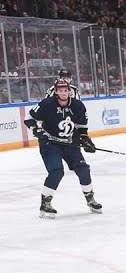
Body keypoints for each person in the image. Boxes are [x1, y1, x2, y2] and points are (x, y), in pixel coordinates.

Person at [25, 79, 100, 219]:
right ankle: (45, 204)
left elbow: (81, 126)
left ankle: (90, 199)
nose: (63, 93)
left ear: (69, 91)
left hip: (70, 144)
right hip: (50, 144)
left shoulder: (77, 105)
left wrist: (85, 139)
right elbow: (28, 117)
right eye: (60, 91)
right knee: (56, 172)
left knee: (83, 169)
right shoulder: (47, 104)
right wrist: (36, 130)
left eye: (65, 90)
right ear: (56, 91)